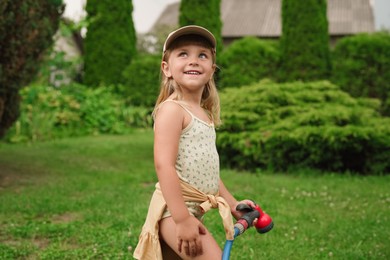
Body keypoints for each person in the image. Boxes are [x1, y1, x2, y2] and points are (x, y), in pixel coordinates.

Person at [133, 25, 256, 260]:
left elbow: (208, 171)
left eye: (202, 55)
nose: (193, 61)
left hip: (189, 211)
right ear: (166, 68)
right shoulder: (172, 110)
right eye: (183, 54)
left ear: (211, 69)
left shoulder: (204, 114)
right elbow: (164, 166)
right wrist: (182, 219)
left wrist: (233, 203)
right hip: (172, 210)